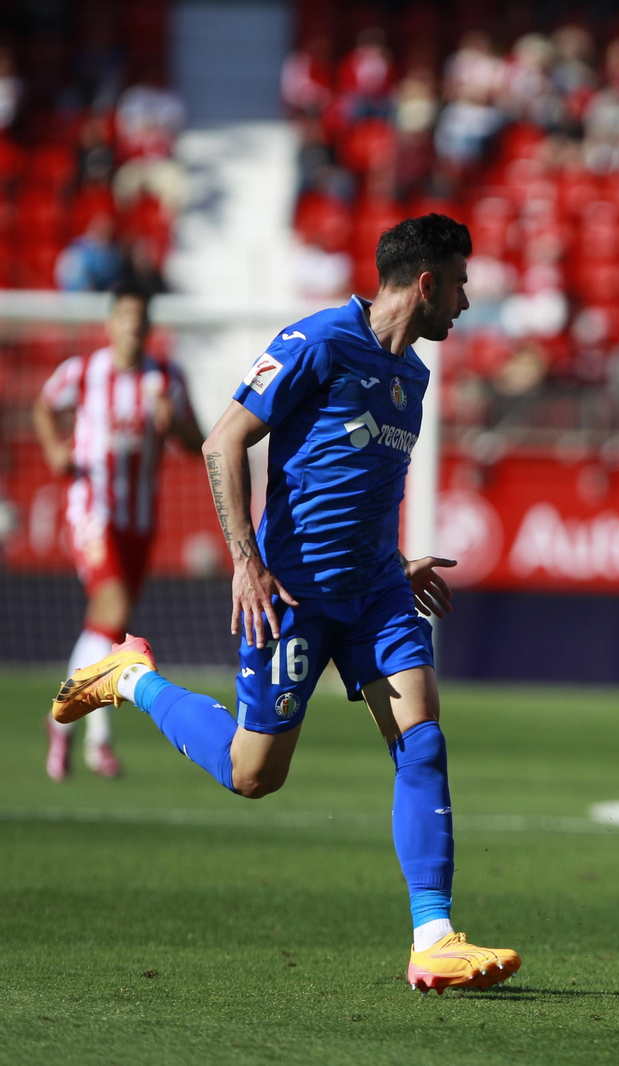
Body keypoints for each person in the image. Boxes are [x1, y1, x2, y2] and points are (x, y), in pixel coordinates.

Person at [50, 214, 521, 992]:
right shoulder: (318, 341)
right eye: (462, 284)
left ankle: (433, 937)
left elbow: (363, 487)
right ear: (426, 282)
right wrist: (246, 562)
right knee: (252, 773)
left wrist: (393, 563)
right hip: (291, 593)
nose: (466, 303)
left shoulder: (415, 377)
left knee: (423, 741)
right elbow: (222, 440)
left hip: (373, 590)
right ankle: (131, 676)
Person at [35, 277, 202, 780]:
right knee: (113, 607)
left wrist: (173, 426)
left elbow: (199, 443)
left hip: (140, 519)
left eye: (141, 319)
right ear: (110, 324)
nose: (133, 327)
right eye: (124, 318)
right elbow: (45, 406)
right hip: (91, 508)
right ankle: (70, 725)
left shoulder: (167, 378)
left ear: (150, 327)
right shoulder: (84, 372)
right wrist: (54, 450)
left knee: (112, 626)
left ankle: (84, 738)